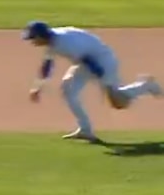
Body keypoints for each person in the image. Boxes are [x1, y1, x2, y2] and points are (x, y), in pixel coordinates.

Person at [22, 21, 162, 141]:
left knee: (117, 103)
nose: (32, 42)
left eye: (33, 38)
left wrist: (105, 85)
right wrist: (38, 86)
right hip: (86, 62)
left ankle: (146, 85)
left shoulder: (66, 43)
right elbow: (47, 65)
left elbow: (92, 64)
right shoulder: (52, 40)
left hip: (103, 62)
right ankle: (85, 130)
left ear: (41, 36)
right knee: (68, 90)